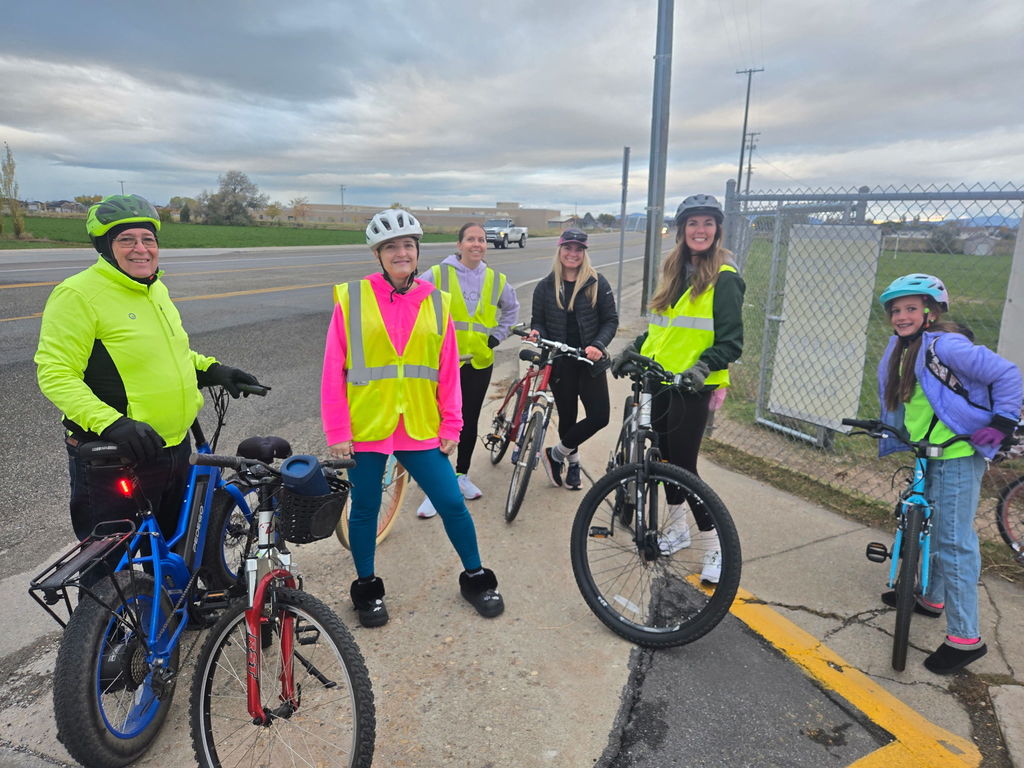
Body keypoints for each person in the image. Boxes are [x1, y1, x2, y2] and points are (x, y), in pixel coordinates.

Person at [35, 194, 259, 584]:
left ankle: (168, 618)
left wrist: (215, 370)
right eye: (127, 240)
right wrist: (111, 423)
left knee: (172, 547)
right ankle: (108, 644)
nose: (141, 249)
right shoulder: (78, 294)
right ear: (106, 247)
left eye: (148, 239)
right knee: (109, 571)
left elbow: (172, 354)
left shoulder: (154, 289)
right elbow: (54, 373)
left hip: (173, 448)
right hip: (117, 456)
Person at [321, 208, 505, 627]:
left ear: (418, 251)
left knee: (452, 503)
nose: (401, 253)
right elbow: (334, 368)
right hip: (369, 425)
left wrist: (451, 425)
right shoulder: (351, 298)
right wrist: (338, 429)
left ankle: (475, 577)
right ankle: (367, 589)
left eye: (407, 245)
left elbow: (447, 371)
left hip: (420, 426)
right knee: (365, 508)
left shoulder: (437, 302)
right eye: (391, 247)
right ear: (378, 255)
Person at [874, 273, 1021, 674]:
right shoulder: (902, 347)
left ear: (931, 312)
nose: (901, 316)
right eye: (895, 310)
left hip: (956, 452)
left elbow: (1009, 375)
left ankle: (966, 639)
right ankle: (932, 599)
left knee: (954, 541)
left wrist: (1002, 424)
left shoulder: (946, 344)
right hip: (927, 452)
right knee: (932, 525)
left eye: (910, 309)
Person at [616, 193, 745, 584]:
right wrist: (632, 350)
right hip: (660, 381)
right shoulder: (673, 271)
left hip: (692, 386)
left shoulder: (724, 277)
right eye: (693, 223)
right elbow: (661, 331)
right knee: (664, 463)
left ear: (717, 230)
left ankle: (714, 547)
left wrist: (702, 367)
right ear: (681, 230)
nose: (700, 230)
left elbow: (731, 341)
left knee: (685, 468)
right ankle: (678, 528)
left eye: (708, 223)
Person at [415, 222, 520, 518]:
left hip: (478, 363)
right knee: (439, 425)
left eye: (482, 240)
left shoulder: (496, 280)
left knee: (468, 422)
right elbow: (414, 301)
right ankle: (436, 487)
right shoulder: (439, 274)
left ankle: (461, 476)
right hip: (443, 365)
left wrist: (497, 336)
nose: (477, 244)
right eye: (471, 239)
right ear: (459, 245)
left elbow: (512, 309)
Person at [530, 228, 618, 490]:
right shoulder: (545, 286)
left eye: (579, 249)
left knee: (599, 416)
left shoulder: (596, 283)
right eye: (568, 248)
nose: (573, 253)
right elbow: (539, 321)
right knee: (568, 416)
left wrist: (598, 345)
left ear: (584, 253)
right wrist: (538, 333)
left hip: (590, 361)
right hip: (560, 360)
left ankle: (555, 455)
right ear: (560, 250)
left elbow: (610, 320)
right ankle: (574, 462)